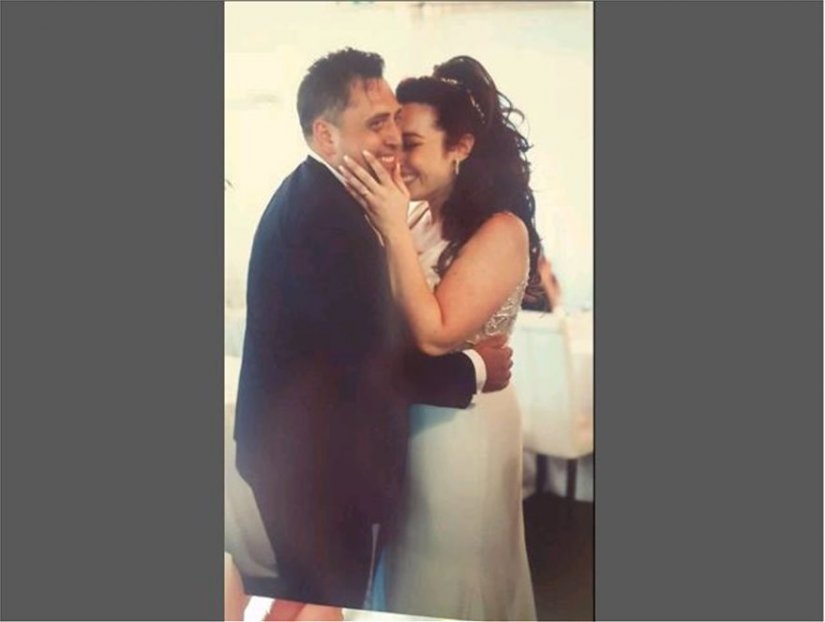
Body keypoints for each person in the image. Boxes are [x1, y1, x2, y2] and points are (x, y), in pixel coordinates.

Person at [232, 48, 513, 621]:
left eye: (396, 121)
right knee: (323, 602)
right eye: (377, 123)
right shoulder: (326, 217)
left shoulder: (331, 197)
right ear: (325, 135)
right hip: (314, 464)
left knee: (311, 596)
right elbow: (372, 359)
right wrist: (477, 367)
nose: (392, 138)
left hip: (307, 453)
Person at [340, 55, 541, 620]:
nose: (397, 160)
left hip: (463, 429)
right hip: (410, 416)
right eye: (393, 143)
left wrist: (389, 224)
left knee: (448, 570)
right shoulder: (419, 219)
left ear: (461, 147)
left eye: (412, 144)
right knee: (405, 565)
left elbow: (432, 334)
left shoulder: (501, 231)